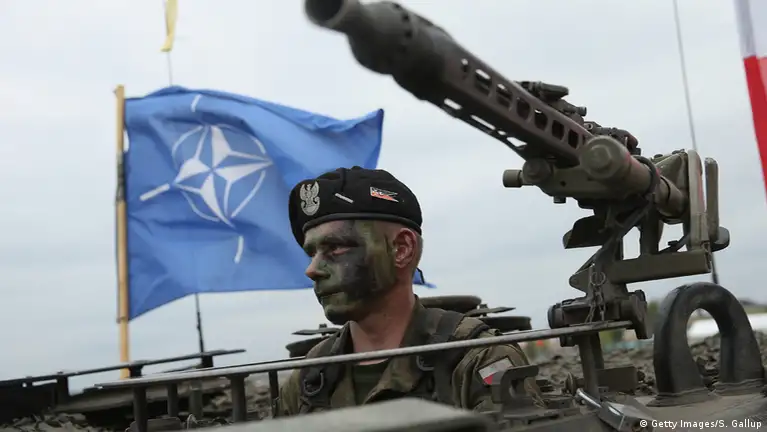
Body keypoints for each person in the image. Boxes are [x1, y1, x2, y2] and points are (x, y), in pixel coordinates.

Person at [278, 166, 541, 416]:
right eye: (311, 253)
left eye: (335, 248)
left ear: (401, 249)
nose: (312, 269)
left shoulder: (476, 359)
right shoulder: (309, 378)